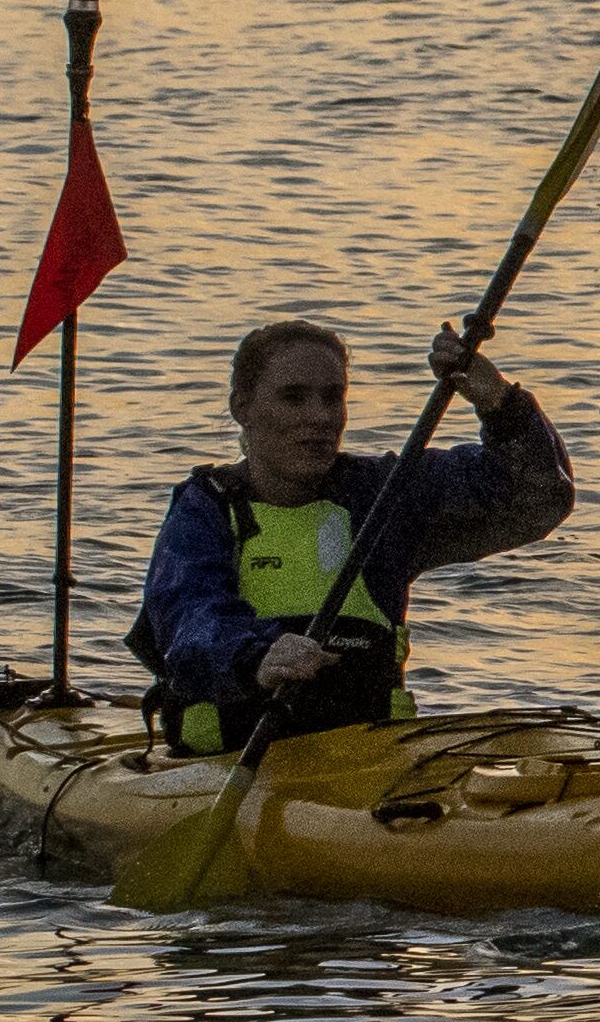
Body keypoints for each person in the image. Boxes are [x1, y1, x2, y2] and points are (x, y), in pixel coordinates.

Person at [130, 314, 576, 754]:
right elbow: (187, 620)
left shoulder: (383, 496)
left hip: (369, 764)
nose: (320, 417)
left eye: (333, 397)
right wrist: (257, 657)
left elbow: (539, 498)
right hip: (231, 760)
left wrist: (499, 403)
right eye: (293, 398)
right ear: (242, 408)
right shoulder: (204, 510)